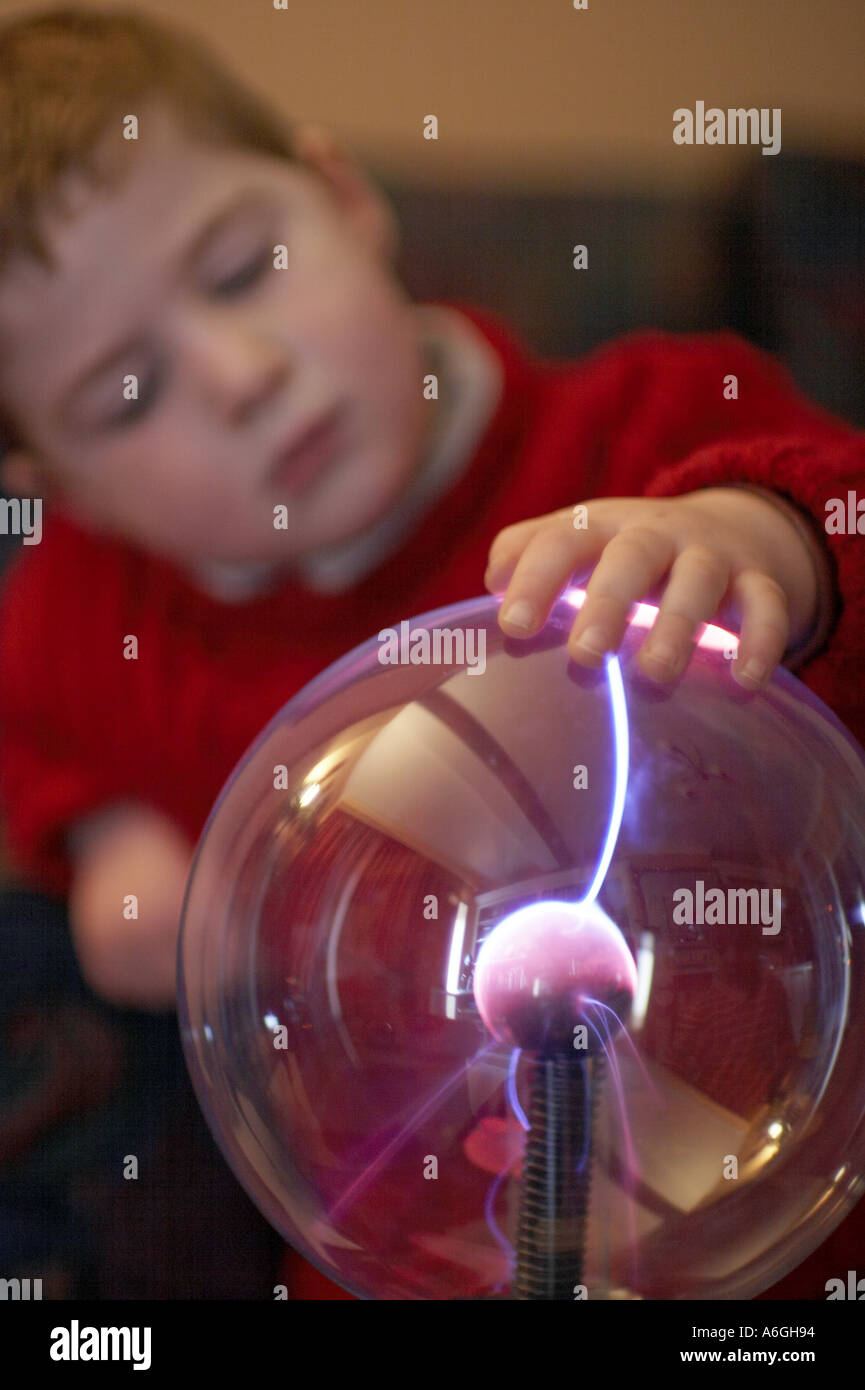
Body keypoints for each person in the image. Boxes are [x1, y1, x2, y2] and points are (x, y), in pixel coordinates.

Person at [0, 7, 862, 1300]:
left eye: (241, 270)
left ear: (346, 199)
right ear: (58, 484)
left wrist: (760, 538)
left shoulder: (652, 429)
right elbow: (33, 732)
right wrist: (105, 836)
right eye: (125, 397)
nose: (238, 373)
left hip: (767, 1226)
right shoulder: (86, 604)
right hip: (395, 1247)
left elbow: (842, 500)